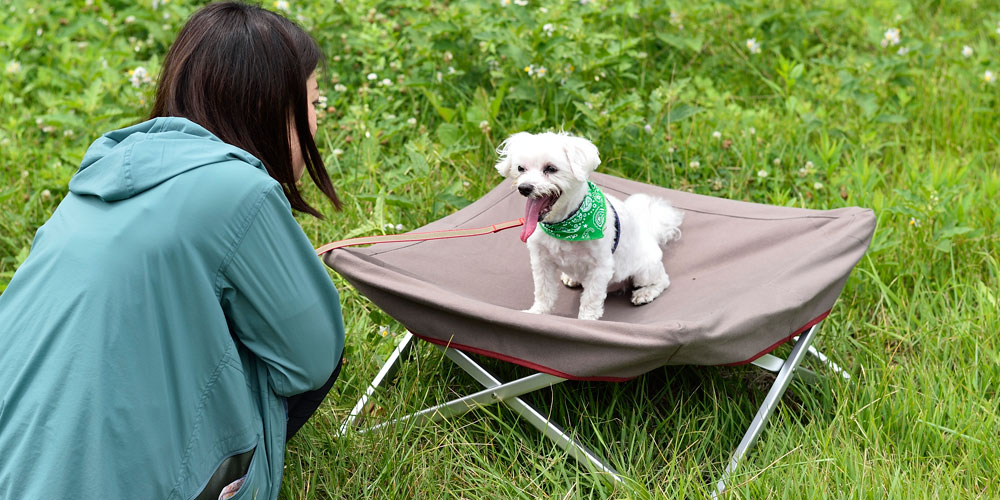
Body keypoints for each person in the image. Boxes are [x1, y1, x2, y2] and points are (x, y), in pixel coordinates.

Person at [0, 3, 345, 499]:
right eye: (313, 102)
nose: (315, 122)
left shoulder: (99, 177)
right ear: (269, 105)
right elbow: (313, 357)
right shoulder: (239, 192)